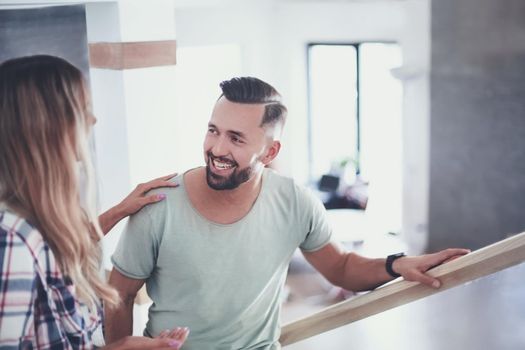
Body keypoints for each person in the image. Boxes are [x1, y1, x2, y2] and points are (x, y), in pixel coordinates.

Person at [106, 77, 469, 349]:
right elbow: (119, 296)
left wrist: (396, 265)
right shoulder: (158, 203)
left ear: (269, 151)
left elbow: (340, 268)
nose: (217, 148)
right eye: (213, 131)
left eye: (236, 138)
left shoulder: (294, 200)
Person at [0, 55, 189, 349]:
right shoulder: (11, 241)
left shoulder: (30, 226)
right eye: (82, 109)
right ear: (46, 124)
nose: (93, 119)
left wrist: (122, 345)